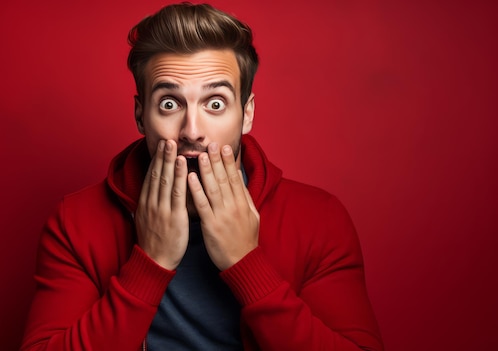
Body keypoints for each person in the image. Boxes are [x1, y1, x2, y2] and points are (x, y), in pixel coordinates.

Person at [21, 3, 383, 350]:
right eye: (169, 103)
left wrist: (246, 264)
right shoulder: (76, 222)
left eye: (215, 104)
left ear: (247, 113)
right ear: (140, 115)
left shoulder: (319, 219)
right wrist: (150, 265)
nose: (192, 130)